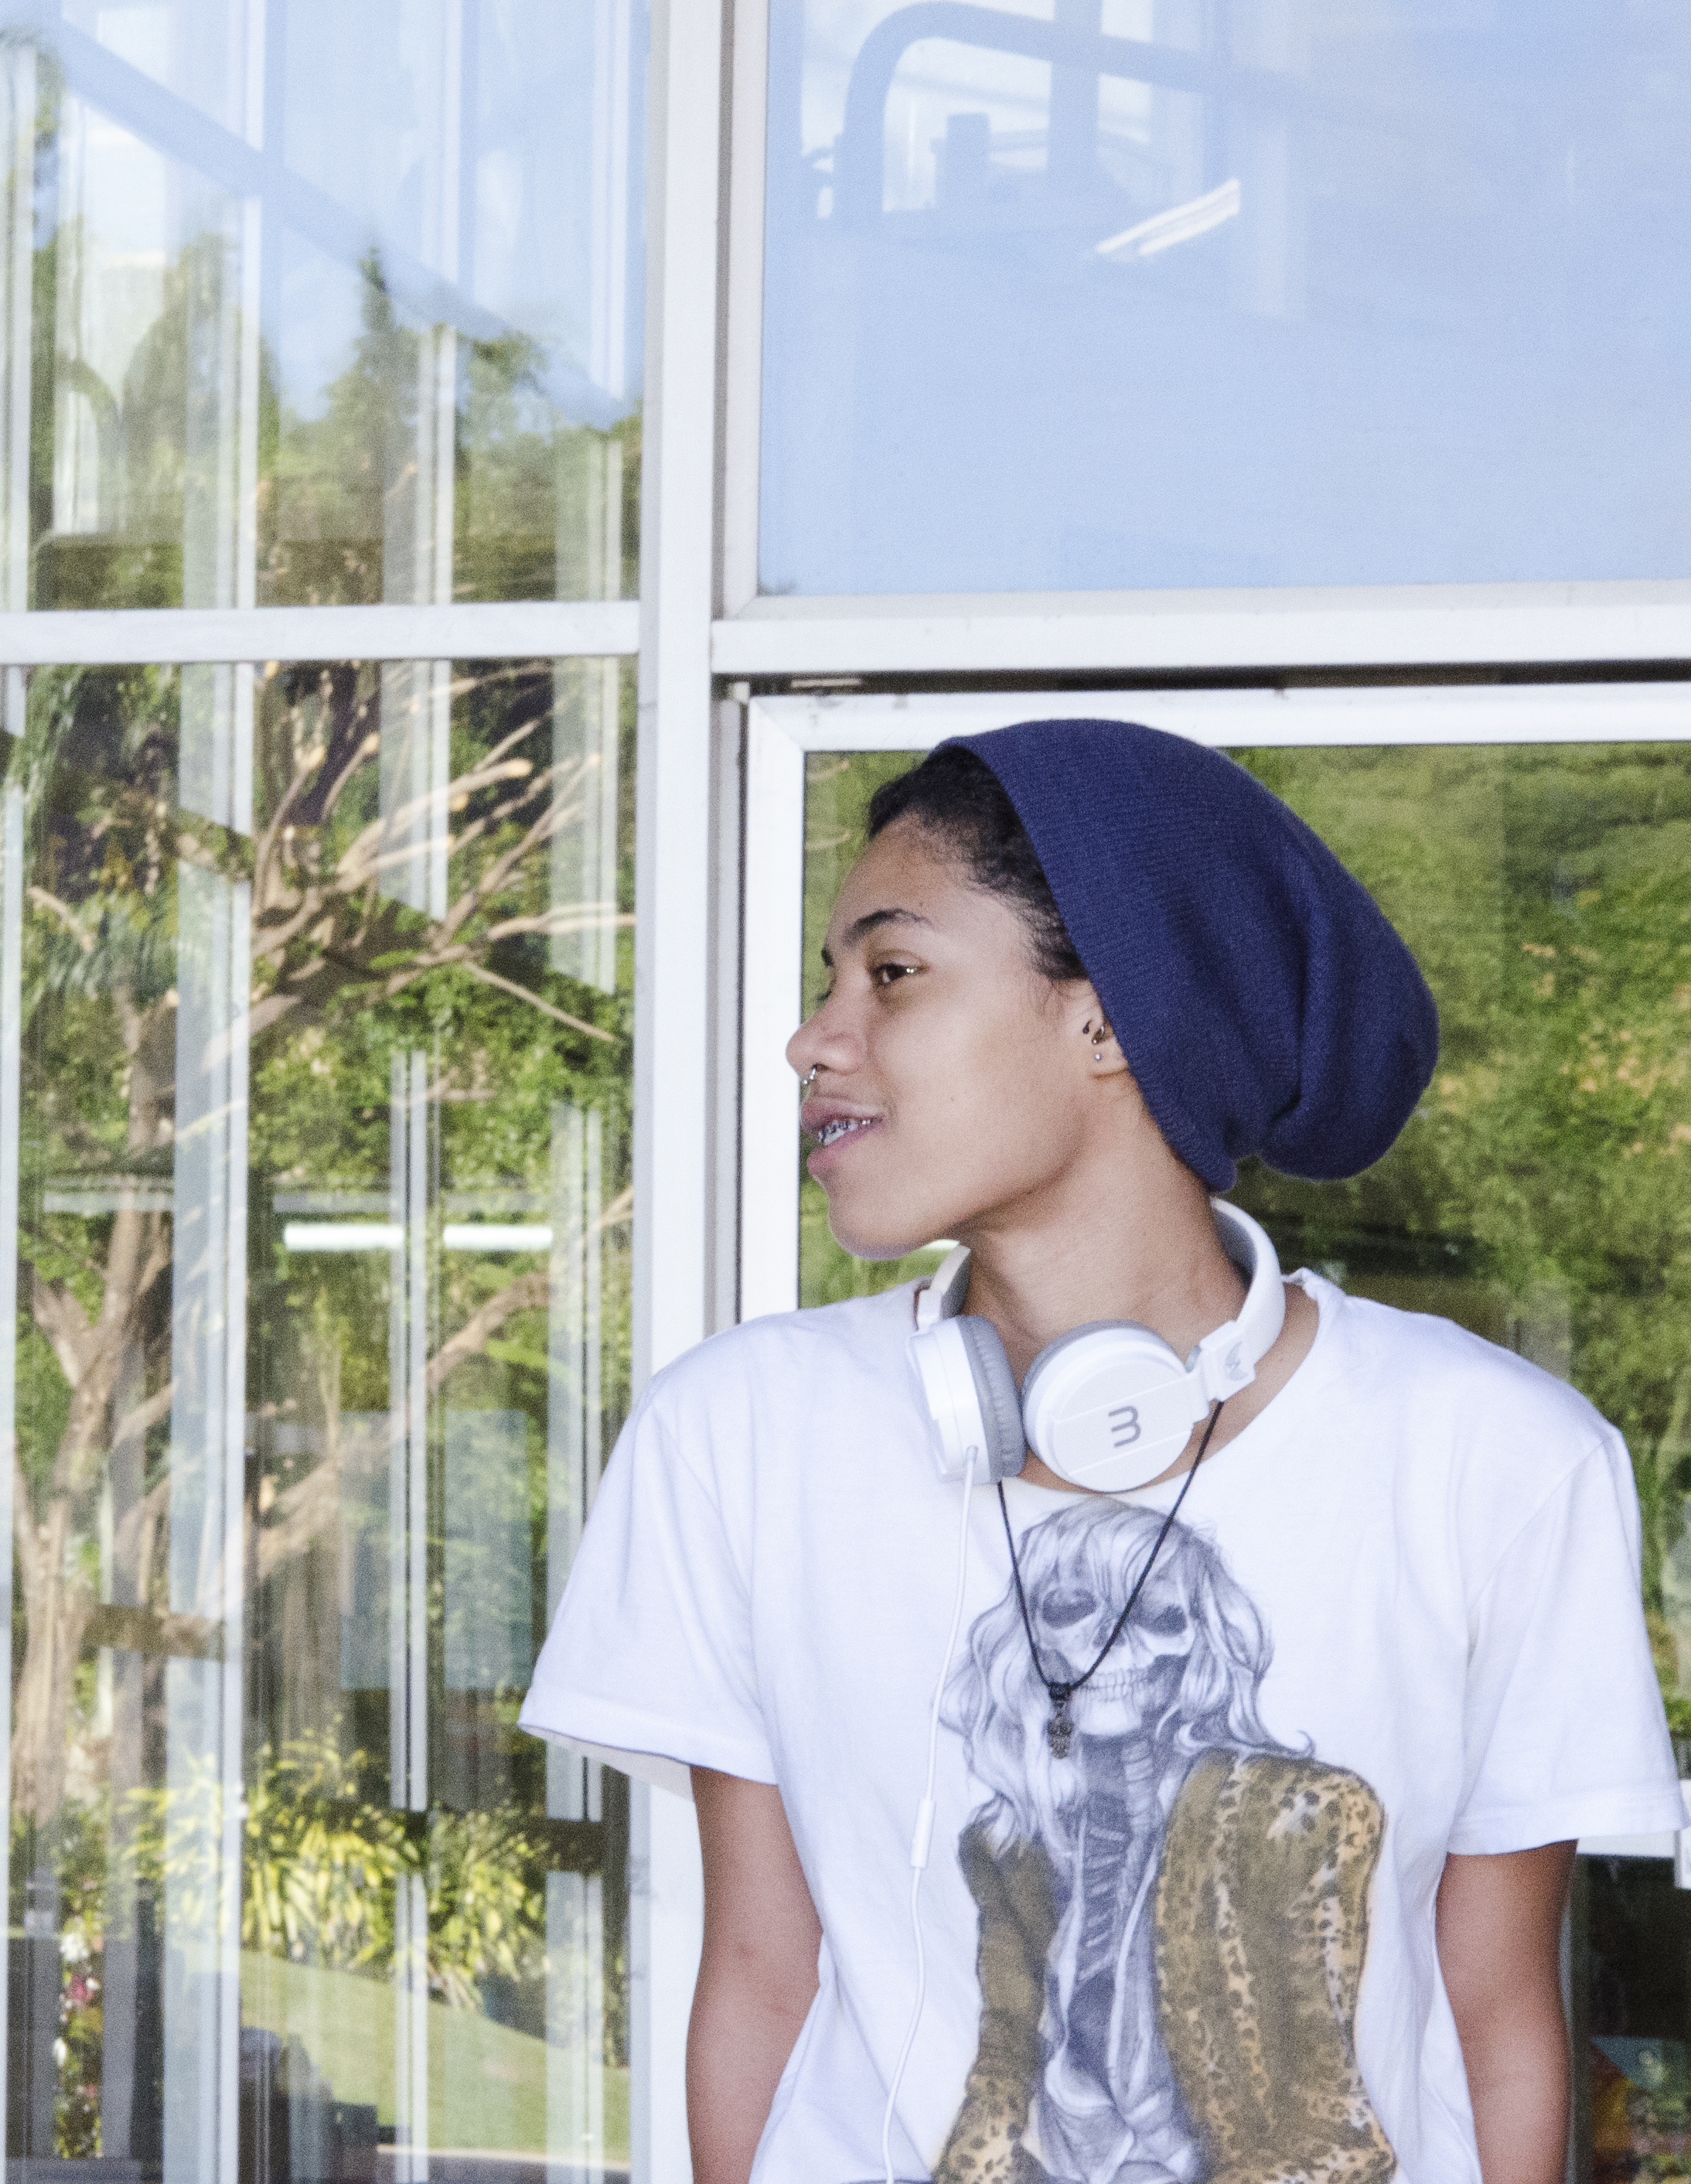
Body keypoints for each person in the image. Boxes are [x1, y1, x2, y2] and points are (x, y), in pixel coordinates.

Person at [522, 721, 1682, 2184]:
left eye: (891, 973)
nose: (817, 1036)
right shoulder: (738, 1435)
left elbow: (1499, 2014)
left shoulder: (1499, 1459)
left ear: (1112, 1018)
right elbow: (761, 1977)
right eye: (830, 983)